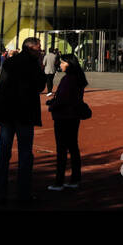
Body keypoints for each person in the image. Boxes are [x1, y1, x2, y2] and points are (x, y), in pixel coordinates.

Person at [0, 37, 46, 203]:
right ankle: (23, 193)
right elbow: (40, 87)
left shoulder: (10, 62)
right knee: (25, 154)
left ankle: (0, 192)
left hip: (7, 112)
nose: (40, 51)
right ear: (30, 49)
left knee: (4, 153)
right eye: (38, 49)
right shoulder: (34, 65)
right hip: (25, 113)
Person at [46, 53, 87, 190]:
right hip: (74, 116)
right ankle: (75, 178)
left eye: (63, 62)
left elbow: (63, 99)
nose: (60, 64)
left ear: (69, 64)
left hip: (63, 116)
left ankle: (59, 181)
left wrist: (52, 105)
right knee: (73, 147)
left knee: (62, 150)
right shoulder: (78, 78)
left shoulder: (68, 79)